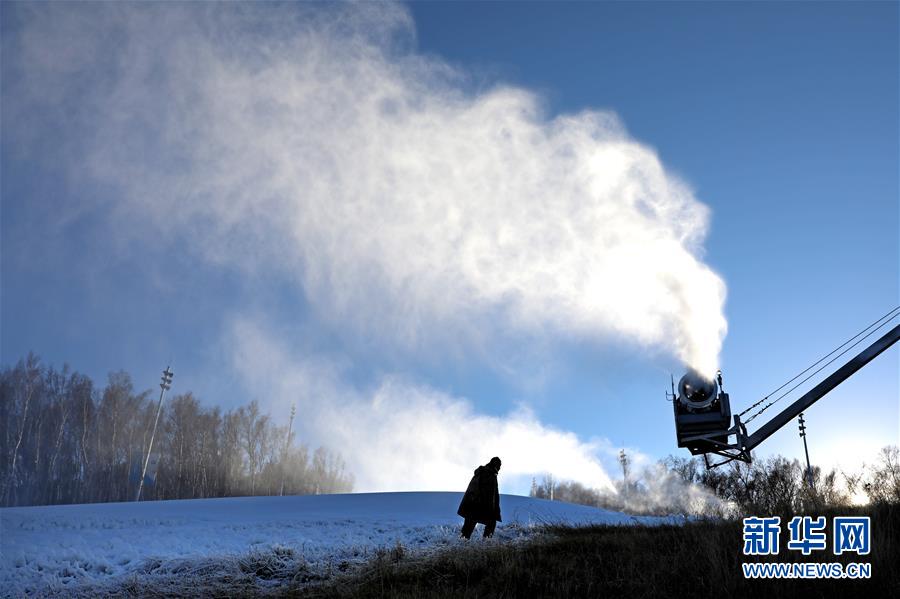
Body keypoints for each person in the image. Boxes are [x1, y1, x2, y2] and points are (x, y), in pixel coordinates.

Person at [457, 456, 502, 539]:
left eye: (500, 465)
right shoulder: (486, 472)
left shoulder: (490, 474)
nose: (499, 467)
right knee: (470, 527)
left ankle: (484, 544)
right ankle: (484, 544)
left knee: (488, 523)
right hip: (477, 506)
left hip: (479, 506)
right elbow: (478, 488)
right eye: (498, 465)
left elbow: (494, 495)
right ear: (493, 464)